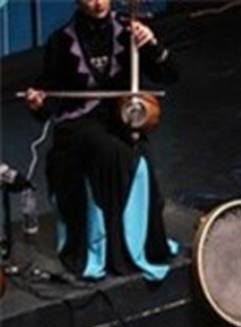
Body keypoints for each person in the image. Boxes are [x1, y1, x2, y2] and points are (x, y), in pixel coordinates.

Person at [24, 0, 178, 280]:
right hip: (78, 124)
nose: (97, 3)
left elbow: (169, 75)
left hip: (120, 117)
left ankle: (139, 244)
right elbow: (50, 99)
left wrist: (152, 45)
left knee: (136, 151)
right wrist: (39, 102)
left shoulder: (129, 30)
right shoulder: (61, 41)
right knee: (108, 150)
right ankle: (110, 250)